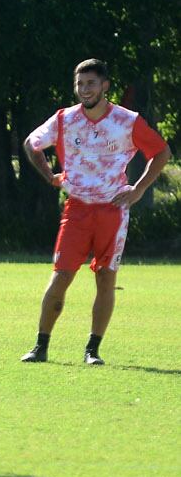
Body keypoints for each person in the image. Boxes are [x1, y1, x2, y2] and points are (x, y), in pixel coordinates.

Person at [20, 58, 170, 366]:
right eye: (79, 84)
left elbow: (161, 151)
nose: (84, 90)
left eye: (90, 83)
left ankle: (93, 350)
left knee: (105, 276)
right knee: (61, 276)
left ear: (105, 86)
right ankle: (40, 346)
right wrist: (50, 176)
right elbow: (31, 144)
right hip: (76, 209)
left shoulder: (127, 121)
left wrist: (139, 189)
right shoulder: (64, 119)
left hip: (113, 210)